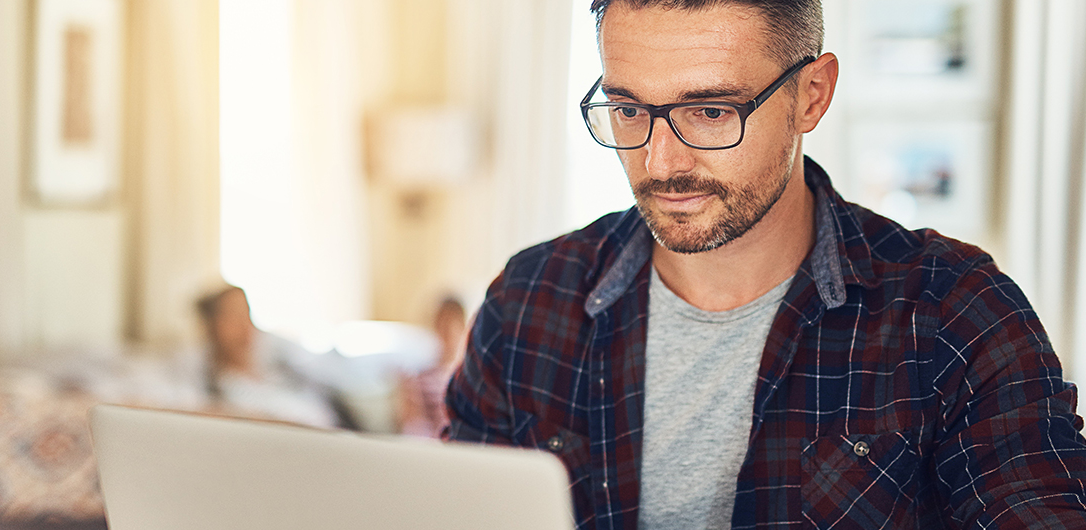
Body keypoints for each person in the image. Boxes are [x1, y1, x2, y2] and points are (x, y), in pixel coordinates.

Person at [444, 1, 1086, 529]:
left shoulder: (956, 311)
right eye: (630, 110)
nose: (660, 163)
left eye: (711, 111)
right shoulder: (529, 300)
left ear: (811, 95)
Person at [196, 285, 340, 429]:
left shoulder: (280, 366)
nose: (244, 327)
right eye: (233, 317)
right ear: (211, 326)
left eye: (247, 315)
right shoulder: (208, 385)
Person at [398, 297, 468, 437]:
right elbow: (412, 424)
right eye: (442, 323)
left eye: (452, 324)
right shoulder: (419, 378)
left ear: (462, 327)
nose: (447, 331)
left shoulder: (469, 376)